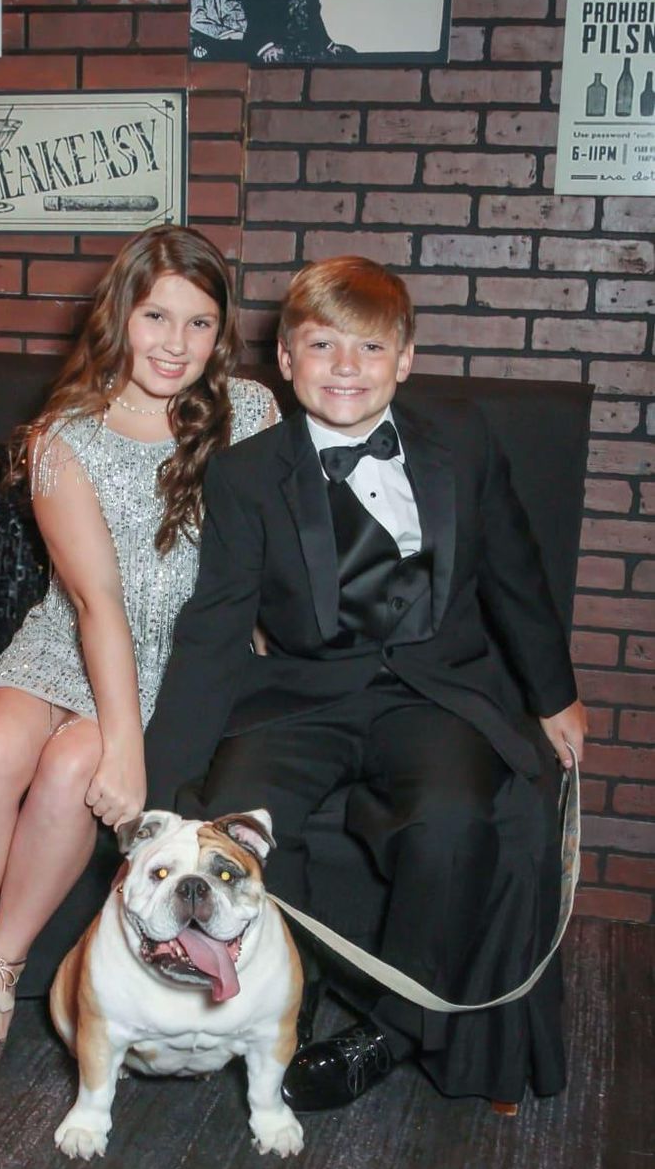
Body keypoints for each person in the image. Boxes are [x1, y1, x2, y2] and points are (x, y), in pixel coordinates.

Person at [143, 255, 587, 1111]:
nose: (346, 368)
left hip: (433, 694)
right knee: (240, 820)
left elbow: (515, 576)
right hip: (301, 695)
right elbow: (214, 629)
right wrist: (163, 784)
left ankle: (392, 1028)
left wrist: (553, 693)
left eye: (371, 348)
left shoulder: (462, 442)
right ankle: (282, 1008)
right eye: (321, 346)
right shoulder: (244, 473)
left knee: (453, 822)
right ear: (284, 360)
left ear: (405, 359)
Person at [0, 226, 279, 1074]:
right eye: (156, 316)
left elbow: (277, 550)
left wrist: (131, 737)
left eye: (200, 323)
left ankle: (1, 966)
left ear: (221, 332)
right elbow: (95, 604)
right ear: (120, 315)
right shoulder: (64, 433)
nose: (176, 344)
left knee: (69, 768)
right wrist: (129, 751)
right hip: (72, 638)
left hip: (175, 657)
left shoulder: (249, 414)